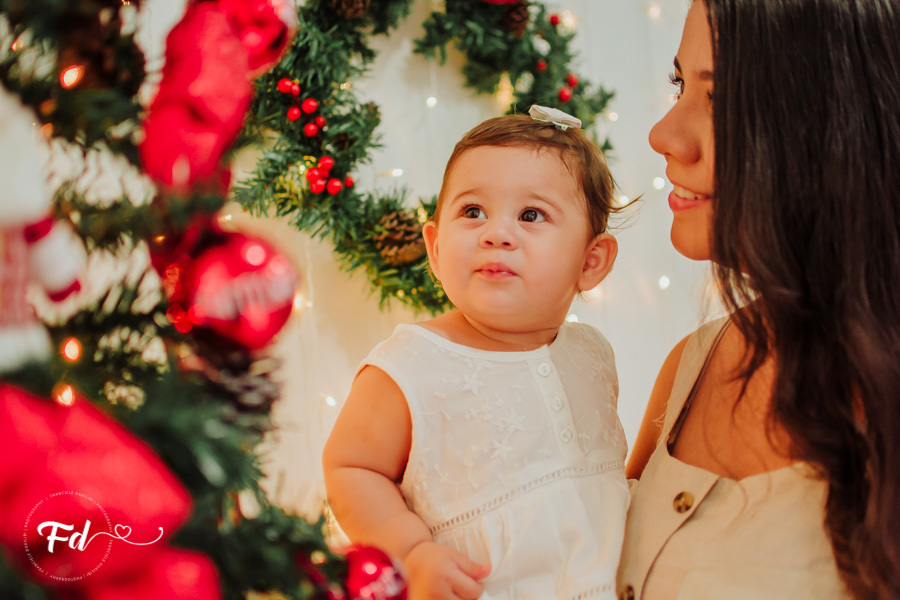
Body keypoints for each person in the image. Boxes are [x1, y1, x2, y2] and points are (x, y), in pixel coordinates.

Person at [618, 1, 900, 599]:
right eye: (679, 83)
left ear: (840, 127)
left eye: (722, 99)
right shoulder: (689, 368)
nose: (663, 135)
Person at [323, 106, 630, 600]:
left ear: (591, 261)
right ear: (436, 248)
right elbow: (351, 468)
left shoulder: (592, 354)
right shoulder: (410, 364)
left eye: (531, 215)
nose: (496, 233)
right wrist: (413, 552)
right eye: (473, 212)